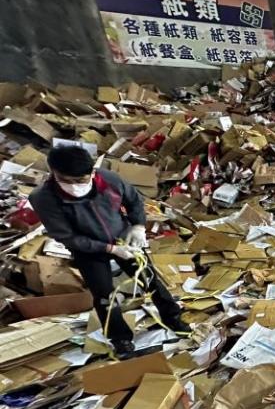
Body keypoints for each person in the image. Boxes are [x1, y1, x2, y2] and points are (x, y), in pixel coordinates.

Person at [29, 145, 188, 357]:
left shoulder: (109, 180)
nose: (75, 186)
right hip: (88, 250)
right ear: (54, 174)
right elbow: (67, 236)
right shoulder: (44, 198)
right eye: (67, 180)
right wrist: (110, 249)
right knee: (105, 297)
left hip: (123, 239)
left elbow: (134, 201)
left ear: (93, 172)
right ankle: (120, 339)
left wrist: (138, 226)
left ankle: (173, 319)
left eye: (81, 180)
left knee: (150, 281)